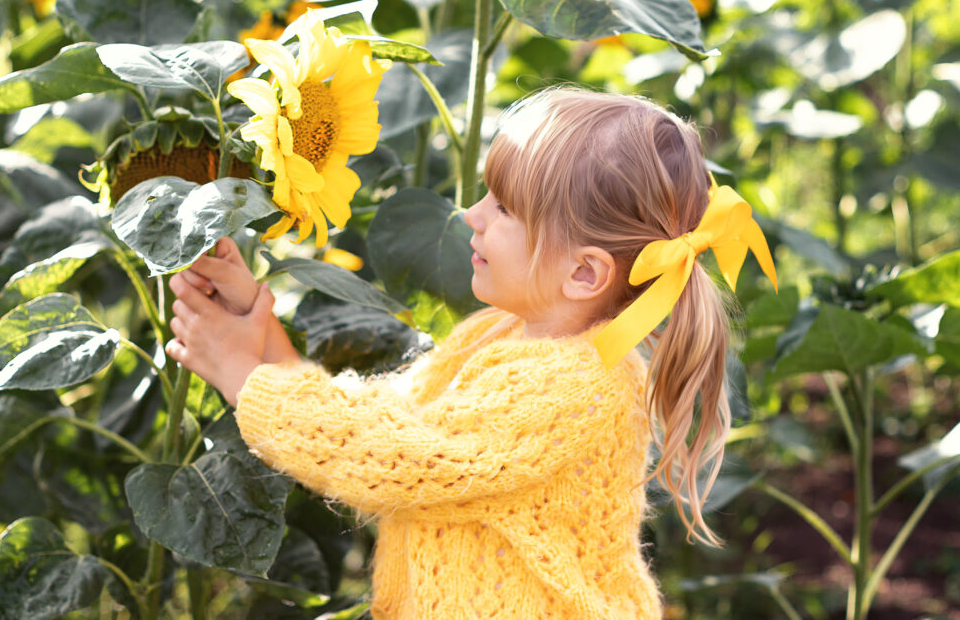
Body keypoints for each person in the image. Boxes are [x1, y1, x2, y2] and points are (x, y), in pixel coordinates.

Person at [166, 87, 777, 619]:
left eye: (505, 208)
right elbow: (384, 417)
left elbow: (392, 457)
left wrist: (245, 378)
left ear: (584, 274)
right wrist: (257, 328)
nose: (472, 214)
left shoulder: (574, 387)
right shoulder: (500, 333)